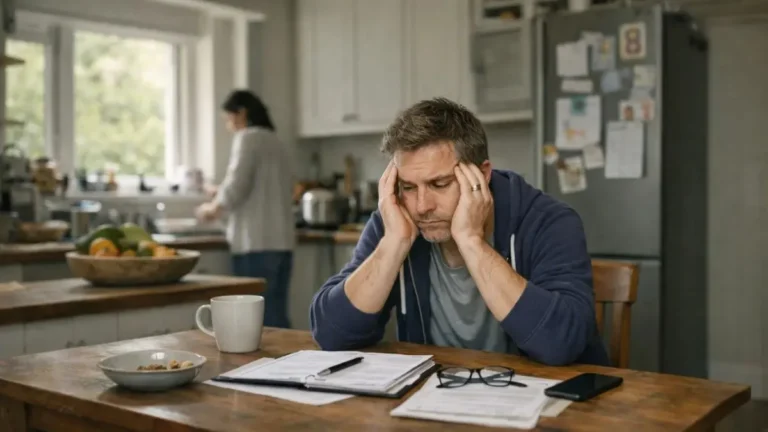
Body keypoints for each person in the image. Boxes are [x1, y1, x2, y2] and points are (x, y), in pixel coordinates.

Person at [309, 97, 609, 366]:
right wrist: (394, 243)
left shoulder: (549, 221)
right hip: (433, 399)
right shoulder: (398, 219)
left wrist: (471, 241)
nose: (422, 206)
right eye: (409, 187)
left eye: (440, 184)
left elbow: (562, 344)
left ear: (483, 174)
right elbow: (331, 334)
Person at [196, 89, 295, 329]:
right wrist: (219, 191)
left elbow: (238, 185)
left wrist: (212, 208)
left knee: (257, 322)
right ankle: (288, 364)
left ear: (241, 113)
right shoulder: (276, 141)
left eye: (228, 119)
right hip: (282, 243)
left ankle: (265, 367)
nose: (229, 126)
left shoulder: (247, 137)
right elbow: (262, 186)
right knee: (276, 315)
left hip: (256, 243)